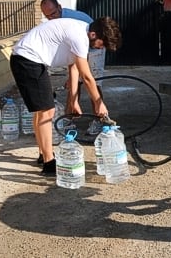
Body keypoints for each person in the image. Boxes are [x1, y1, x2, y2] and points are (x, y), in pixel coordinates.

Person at [10, 16, 122, 175]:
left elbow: (74, 69)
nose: (101, 48)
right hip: (27, 60)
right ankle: (49, 163)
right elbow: (87, 76)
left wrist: (74, 101)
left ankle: (44, 154)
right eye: (102, 44)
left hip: (28, 60)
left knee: (42, 111)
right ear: (94, 35)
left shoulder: (81, 31)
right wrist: (99, 102)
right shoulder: (79, 37)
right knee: (47, 111)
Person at [40, 0, 107, 129]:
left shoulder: (72, 19)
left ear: (59, 7)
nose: (51, 18)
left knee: (93, 82)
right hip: (79, 48)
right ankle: (69, 117)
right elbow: (73, 62)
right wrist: (72, 79)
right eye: (47, 16)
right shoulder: (57, 22)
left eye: (53, 13)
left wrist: (81, 74)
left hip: (94, 47)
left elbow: (84, 52)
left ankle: (99, 119)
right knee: (74, 82)